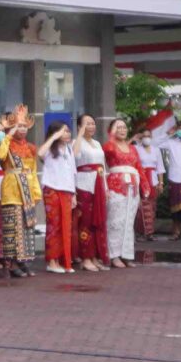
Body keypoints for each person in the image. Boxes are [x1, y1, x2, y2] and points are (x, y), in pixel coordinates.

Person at [0, 114, 42, 277]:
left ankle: (23, 261)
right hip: (12, 190)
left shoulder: (31, 147)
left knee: (26, 228)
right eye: (18, 126)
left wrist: (36, 193)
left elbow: (33, 171)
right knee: (11, 229)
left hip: (27, 191)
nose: (21, 129)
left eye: (24, 126)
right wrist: (8, 135)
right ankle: (10, 263)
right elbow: (0, 156)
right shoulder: (6, 144)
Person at [70, 114, 109, 271]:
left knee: (97, 222)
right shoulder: (75, 142)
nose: (91, 126)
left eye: (93, 123)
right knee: (85, 222)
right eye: (87, 124)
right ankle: (85, 257)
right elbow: (75, 156)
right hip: (83, 185)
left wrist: (105, 187)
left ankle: (95, 256)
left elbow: (103, 167)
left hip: (98, 184)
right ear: (79, 126)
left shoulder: (98, 143)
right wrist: (79, 134)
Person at [103, 118, 144, 269]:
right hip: (116, 186)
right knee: (115, 221)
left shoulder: (132, 148)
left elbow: (139, 167)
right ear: (112, 130)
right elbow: (107, 150)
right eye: (118, 127)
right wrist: (111, 136)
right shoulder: (110, 146)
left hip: (132, 187)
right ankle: (113, 255)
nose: (122, 130)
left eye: (124, 127)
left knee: (128, 222)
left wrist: (144, 186)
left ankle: (126, 255)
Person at [37, 124, 78, 272]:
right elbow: (40, 153)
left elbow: (73, 173)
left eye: (68, 131)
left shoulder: (68, 149)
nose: (67, 134)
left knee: (65, 227)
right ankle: (52, 262)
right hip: (52, 189)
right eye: (64, 131)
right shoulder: (50, 149)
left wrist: (73, 194)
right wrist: (54, 137)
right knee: (54, 226)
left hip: (67, 191)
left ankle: (64, 260)